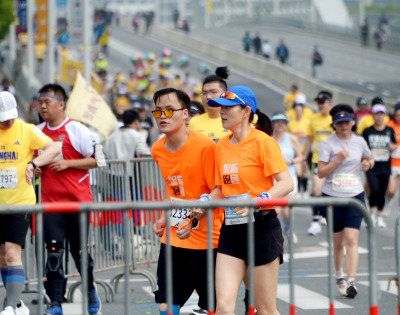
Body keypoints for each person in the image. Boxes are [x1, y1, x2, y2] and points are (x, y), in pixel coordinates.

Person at [207, 85, 293, 314]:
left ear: (245, 111)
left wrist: (257, 200)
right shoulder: (221, 146)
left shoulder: (263, 143)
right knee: (224, 307)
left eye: (227, 107)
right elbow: (220, 190)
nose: (222, 112)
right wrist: (202, 203)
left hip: (263, 229)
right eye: (219, 108)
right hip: (232, 230)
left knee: (265, 309)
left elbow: (286, 183)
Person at [151, 88, 224, 315]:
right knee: (166, 304)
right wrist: (164, 216)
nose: (163, 116)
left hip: (208, 240)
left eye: (169, 110)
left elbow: (218, 191)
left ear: (185, 114)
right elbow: (173, 187)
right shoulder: (157, 149)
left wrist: (192, 219)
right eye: (158, 112)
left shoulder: (205, 147)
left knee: (214, 306)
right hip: (173, 238)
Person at [35, 84, 101, 315]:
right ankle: (55, 302)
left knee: (80, 251)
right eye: (40, 102)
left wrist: (68, 163)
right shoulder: (36, 131)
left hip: (78, 203)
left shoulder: (78, 129)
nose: (42, 106)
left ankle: (90, 292)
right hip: (50, 204)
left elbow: (98, 160)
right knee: (54, 252)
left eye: (48, 102)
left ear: (61, 105)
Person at [0, 91, 60, 315]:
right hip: (0, 204)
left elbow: (53, 148)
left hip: (20, 203)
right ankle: (17, 304)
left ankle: (8, 307)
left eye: (10, 116)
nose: (7, 121)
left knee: (13, 253)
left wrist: (33, 163)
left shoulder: (26, 129)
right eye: (2, 117)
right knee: (3, 258)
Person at [318, 104, 373, 298]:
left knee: (352, 239)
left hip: (354, 195)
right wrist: (337, 160)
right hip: (333, 196)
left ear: (352, 122)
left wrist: (368, 163)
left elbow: (369, 157)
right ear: (334, 124)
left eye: (347, 121)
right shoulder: (327, 144)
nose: (344, 125)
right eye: (340, 122)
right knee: (338, 241)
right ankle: (339, 275)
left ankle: (351, 281)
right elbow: (320, 172)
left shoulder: (359, 141)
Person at [303, 91, 334, 236]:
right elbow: (309, 139)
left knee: (331, 191)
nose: (320, 105)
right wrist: (304, 158)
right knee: (316, 190)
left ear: (330, 103)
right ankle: (315, 221)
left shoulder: (335, 118)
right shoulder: (313, 119)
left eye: (323, 102)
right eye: (318, 102)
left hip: (334, 161)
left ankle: (327, 215)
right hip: (317, 160)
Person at [362, 104, 397, 228]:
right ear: (373, 116)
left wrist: (391, 147)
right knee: (374, 189)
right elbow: (362, 147)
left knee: (382, 191)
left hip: (385, 166)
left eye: (381, 114)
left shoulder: (389, 130)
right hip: (372, 166)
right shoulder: (367, 131)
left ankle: (380, 216)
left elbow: (395, 145)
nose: (379, 117)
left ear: (384, 116)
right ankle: (371, 213)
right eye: (377, 114)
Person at [272, 113, 302, 244]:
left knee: (288, 211)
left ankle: (289, 230)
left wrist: (291, 161)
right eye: (277, 122)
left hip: (290, 176)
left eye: (283, 122)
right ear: (273, 124)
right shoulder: (269, 139)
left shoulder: (291, 139)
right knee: (276, 210)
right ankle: (277, 234)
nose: (280, 125)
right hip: (274, 178)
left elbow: (301, 157)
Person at [188, 67, 230, 143]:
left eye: (213, 92)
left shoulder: (234, 123)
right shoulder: (193, 123)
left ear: (225, 94)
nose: (208, 97)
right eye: (204, 93)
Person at [288, 101, 311, 196]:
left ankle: (304, 190)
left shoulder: (307, 123)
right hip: (295, 151)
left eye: (300, 110)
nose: (298, 112)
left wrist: (303, 135)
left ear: (302, 112)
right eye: (296, 110)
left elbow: (309, 137)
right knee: (298, 170)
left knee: (304, 170)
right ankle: (297, 189)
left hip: (304, 149)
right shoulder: (291, 124)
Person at [385, 104, 400, 216]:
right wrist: (389, 145)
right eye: (398, 115)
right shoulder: (389, 126)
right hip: (392, 162)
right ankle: (388, 202)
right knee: (391, 190)